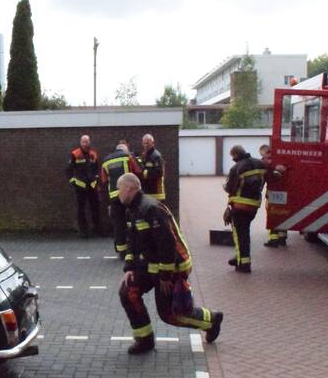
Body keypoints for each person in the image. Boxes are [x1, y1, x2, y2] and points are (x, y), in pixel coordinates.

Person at [117, 173, 224, 354]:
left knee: (170, 315)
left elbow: (167, 244)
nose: (117, 193)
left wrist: (165, 276)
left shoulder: (151, 209)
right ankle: (144, 340)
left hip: (172, 267)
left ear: (129, 188)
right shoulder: (134, 209)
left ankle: (211, 320)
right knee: (128, 292)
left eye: (119, 189)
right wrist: (130, 268)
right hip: (151, 265)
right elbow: (133, 241)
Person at [224, 145, 267, 273]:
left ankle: (243, 264)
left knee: (240, 235)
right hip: (254, 206)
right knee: (244, 233)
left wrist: (225, 187)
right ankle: (240, 257)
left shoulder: (236, 168)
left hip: (239, 206)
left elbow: (229, 187)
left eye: (232, 157)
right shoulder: (260, 164)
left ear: (236, 155)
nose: (232, 159)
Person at [99, 141, 142, 258]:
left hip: (114, 195)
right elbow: (138, 171)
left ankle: (122, 251)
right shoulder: (127, 156)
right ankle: (136, 248)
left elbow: (104, 180)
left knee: (118, 222)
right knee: (134, 219)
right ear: (124, 150)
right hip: (128, 194)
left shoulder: (106, 161)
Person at [66, 134, 101, 238]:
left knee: (95, 207)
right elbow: (69, 170)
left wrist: (96, 180)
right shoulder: (75, 154)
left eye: (87, 142)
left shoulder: (93, 154)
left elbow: (97, 169)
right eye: (83, 142)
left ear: (90, 142)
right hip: (80, 187)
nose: (85, 144)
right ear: (80, 143)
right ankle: (83, 231)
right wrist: (74, 182)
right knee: (81, 209)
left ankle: (97, 229)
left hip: (92, 186)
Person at [259, 144, 287, 248]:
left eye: (265, 155)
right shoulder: (280, 159)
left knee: (273, 214)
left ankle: (274, 239)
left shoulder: (265, 163)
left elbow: (263, 177)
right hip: (283, 191)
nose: (265, 158)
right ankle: (282, 237)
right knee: (283, 213)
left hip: (273, 192)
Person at [137, 133, 166, 202]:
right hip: (147, 191)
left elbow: (159, 172)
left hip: (156, 191)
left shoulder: (156, 156)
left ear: (153, 143)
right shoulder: (145, 155)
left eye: (148, 143)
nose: (146, 145)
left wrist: (143, 173)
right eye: (144, 143)